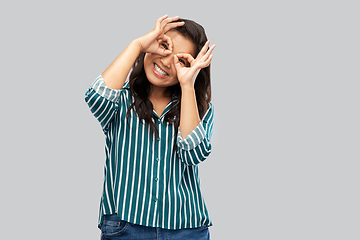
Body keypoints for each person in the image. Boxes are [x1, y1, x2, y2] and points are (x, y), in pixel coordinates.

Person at [85, 15, 216, 240]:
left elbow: (193, 154)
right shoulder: (121, 99)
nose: (166, 62)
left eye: (181, 60)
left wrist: (187, 86)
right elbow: (96, 96)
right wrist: (137, 45)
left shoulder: (199, 108)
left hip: (187, 230)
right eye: (164, 47)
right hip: (125, 226)